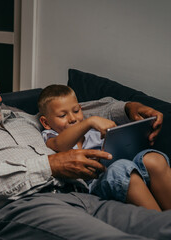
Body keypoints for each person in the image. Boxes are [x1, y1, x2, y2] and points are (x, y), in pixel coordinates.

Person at [0, 63, 171, 239]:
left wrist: (129, 108)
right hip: (26, 207)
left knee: (164, 225)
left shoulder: (21, 118)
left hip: (83, 196)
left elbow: (71, 112)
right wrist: (52, 165)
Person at [38, 84, 171, 211]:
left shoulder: (93, 133)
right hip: (93, 184)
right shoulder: (52, 135)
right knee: (121, 168)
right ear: (46, 122)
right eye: (62, 115)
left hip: (119, 168)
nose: (73, 118)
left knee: (152, 159)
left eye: (76, 111)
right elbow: (59, 145)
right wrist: (90, 121)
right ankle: (163, 227)